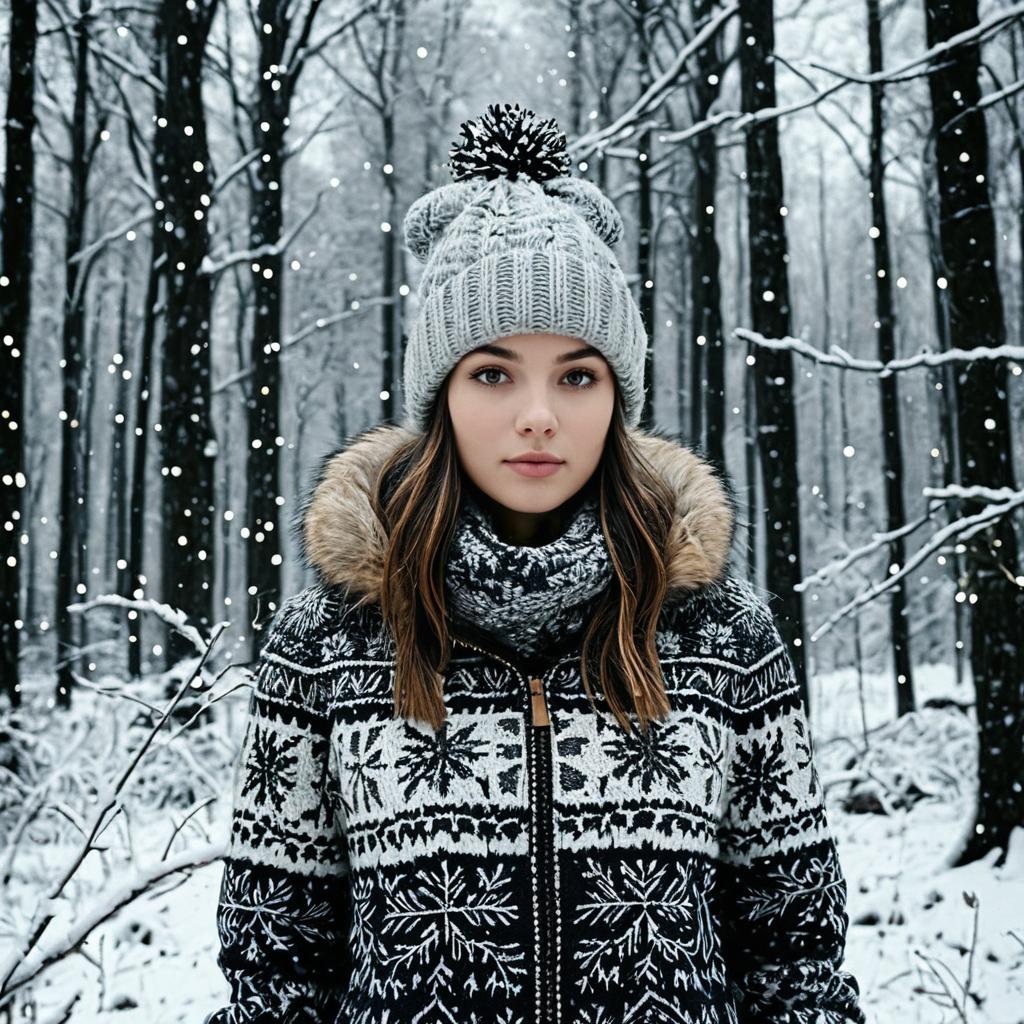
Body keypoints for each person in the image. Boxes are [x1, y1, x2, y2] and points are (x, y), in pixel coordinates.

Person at [206, 103, 865, 1024]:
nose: (538, 416)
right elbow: (276, 978)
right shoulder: (328, 642)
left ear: (618, 394)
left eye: (577, 374)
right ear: (439, 392)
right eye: (493, 372)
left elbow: (796, 965)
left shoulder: (724, 633)